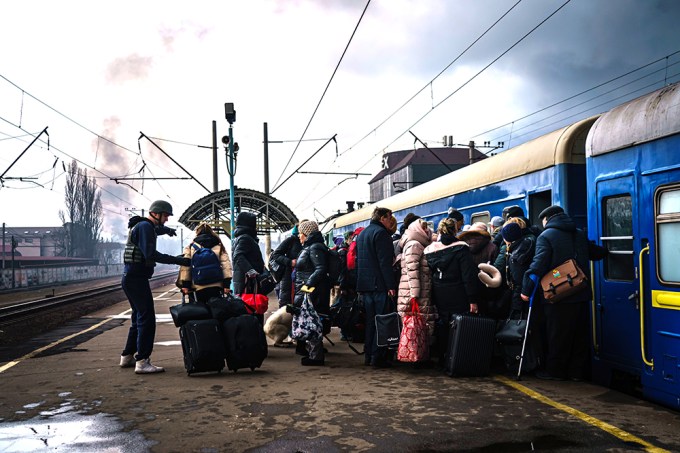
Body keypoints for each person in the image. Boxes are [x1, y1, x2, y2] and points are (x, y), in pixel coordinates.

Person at [520, 205, 593, 381]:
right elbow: (595, 252)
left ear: (548, 219)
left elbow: (539, 265)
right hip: (581, 291)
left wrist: (526, 289)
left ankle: (555, 372)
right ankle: (577, 373)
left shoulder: (546, 236)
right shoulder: (579, 233)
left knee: (557, 336)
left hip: (558, 295)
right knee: (579, 336)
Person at [120, 200, 191, 374]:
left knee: (138, 317)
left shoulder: (143, 225)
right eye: (165, 216)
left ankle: (127, 356)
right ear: (156, 214)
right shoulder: (145, 227)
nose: (166, 219)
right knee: (147, 319)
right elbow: (151, 254)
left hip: (131, 277)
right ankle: (142, 361)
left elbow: (155, 230)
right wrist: (178, 260)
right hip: (136, 279)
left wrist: (166, 230)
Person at [424, 218, 480, 368]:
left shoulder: (431, 250)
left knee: (442, 324)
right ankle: (457, 358)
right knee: (459, 325)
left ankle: (443, 357)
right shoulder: (461, 248)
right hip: (458, 293)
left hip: (439, 292)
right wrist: (472, 300)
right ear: (455, 230)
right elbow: (468, 276)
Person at [356, 206, 397, 367]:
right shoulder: (382, 234)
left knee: (370, 322)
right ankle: (377, 357)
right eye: (389, 218)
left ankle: (368, 355)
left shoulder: (363, 234)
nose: (390, 221)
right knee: (381, 322)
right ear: (382, 218)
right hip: (379, 286)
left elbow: (360, 262)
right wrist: (390, 285)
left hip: (365, 286)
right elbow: (384, 263)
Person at [293, 220, 330, 366]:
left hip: (312, 292)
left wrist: (307, 286)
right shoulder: (312, 247)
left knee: (312, 322)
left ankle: (316, 357)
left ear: (306, 234)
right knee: (310, 321)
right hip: (311, 290)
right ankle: (313, 354)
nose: (299, 237)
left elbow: (320, 269)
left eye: (301, 234)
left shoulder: (314, 248)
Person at [396, 219, 434, 361]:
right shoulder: (414, 245)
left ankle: (418, 354)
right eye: (423, 228)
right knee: (417, 324)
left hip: (419, 289)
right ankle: (414, 355)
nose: (427, 231)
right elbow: (412, 270)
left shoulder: (418, 243)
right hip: (415, 292)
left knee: (420, 324)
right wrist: (415, 294)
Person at [178, 222, 232, 303]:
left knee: (199, 312)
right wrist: (226, 285)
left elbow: (186, 267)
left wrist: (186, 285)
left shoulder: (191, 247)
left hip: (197, 286)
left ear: (197, 233)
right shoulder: (219, 246)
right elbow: (226, 265)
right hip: (216, 285)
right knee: (216, 310)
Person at [231, 211, 266, 323]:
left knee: (249, 314)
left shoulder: (241, 238)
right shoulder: (245, 238)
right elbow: (238, 256)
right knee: (253, 312)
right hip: (248, 285)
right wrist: (251, 271)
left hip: (245, 283)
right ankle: (256, 338)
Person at [270, 223, 303, 308]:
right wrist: (290, 262)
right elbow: (275, 255)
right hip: (289, 277)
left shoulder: (308, 243)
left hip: (301, 278)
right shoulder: (291, 240)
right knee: (287, 305)